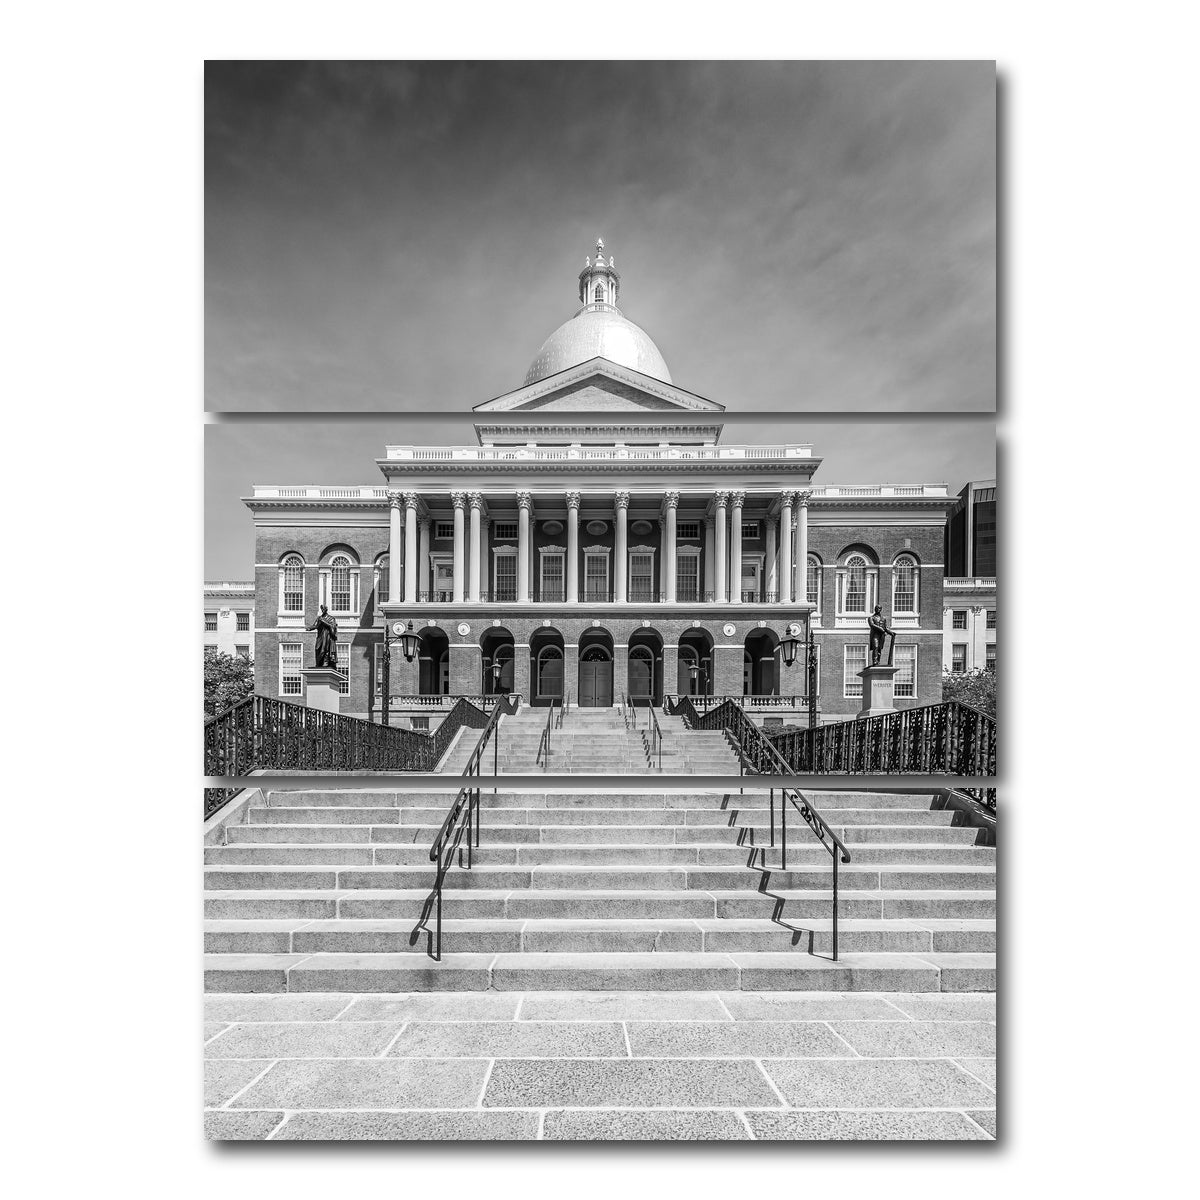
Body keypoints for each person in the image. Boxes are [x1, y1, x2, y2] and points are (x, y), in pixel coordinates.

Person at [308, 604, 338, 669]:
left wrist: (324, 622)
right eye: (321, 609)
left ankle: (325, 663)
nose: (322, 610)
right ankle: (319, 664)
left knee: (325, 649)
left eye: (323, 609)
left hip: (327, 637)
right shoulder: (319, 618)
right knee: (317, 648)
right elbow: (315, 625)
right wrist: (310, 628)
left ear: (326, 610)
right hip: (320, 636)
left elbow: (332, 627)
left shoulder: (331, 618)